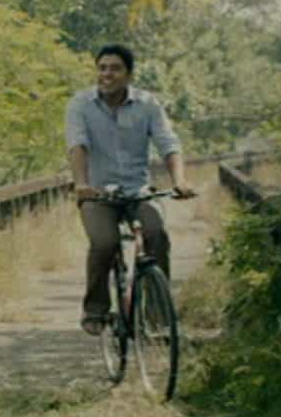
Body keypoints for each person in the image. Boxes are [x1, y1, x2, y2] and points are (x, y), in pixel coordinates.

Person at [64, 44, 197, 336]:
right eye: (102, 68)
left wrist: (179, 180)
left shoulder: (148, 104)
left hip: (138, 190)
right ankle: (96, 309)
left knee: (156, 235)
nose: (107, 74)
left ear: (129, 74)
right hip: (97, 193)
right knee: (104, 242)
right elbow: (77, 145)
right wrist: (82, 184)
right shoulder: (80, 104)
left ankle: (156, 315)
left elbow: (168, 143)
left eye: (115, 68)